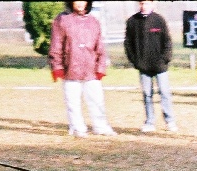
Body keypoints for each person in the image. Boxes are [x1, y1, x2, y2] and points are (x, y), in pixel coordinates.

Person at [49, 1, 116, 138]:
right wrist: (57, 67)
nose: (80, 4)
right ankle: (77, 127)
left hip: (91, 70)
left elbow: (100, 46)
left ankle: (100, 126)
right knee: (72, 101)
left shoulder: (93, 21)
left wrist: (100, 67)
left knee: (97, 100)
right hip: (71, 69)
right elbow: (56, 45)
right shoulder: (62, 20)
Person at [124, 0, 177, 133]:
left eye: (147, 3)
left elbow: (167, 41)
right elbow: (128, 43)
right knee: (147, 94)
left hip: (160, 66)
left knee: (164, 93)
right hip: (143, 66)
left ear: (152, 4)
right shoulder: (132, 21)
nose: (144, 6)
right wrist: (135, 61)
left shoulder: (159, 20)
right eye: (142, 3)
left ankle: (170, 121)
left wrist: (165, 59)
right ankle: (149, 121)